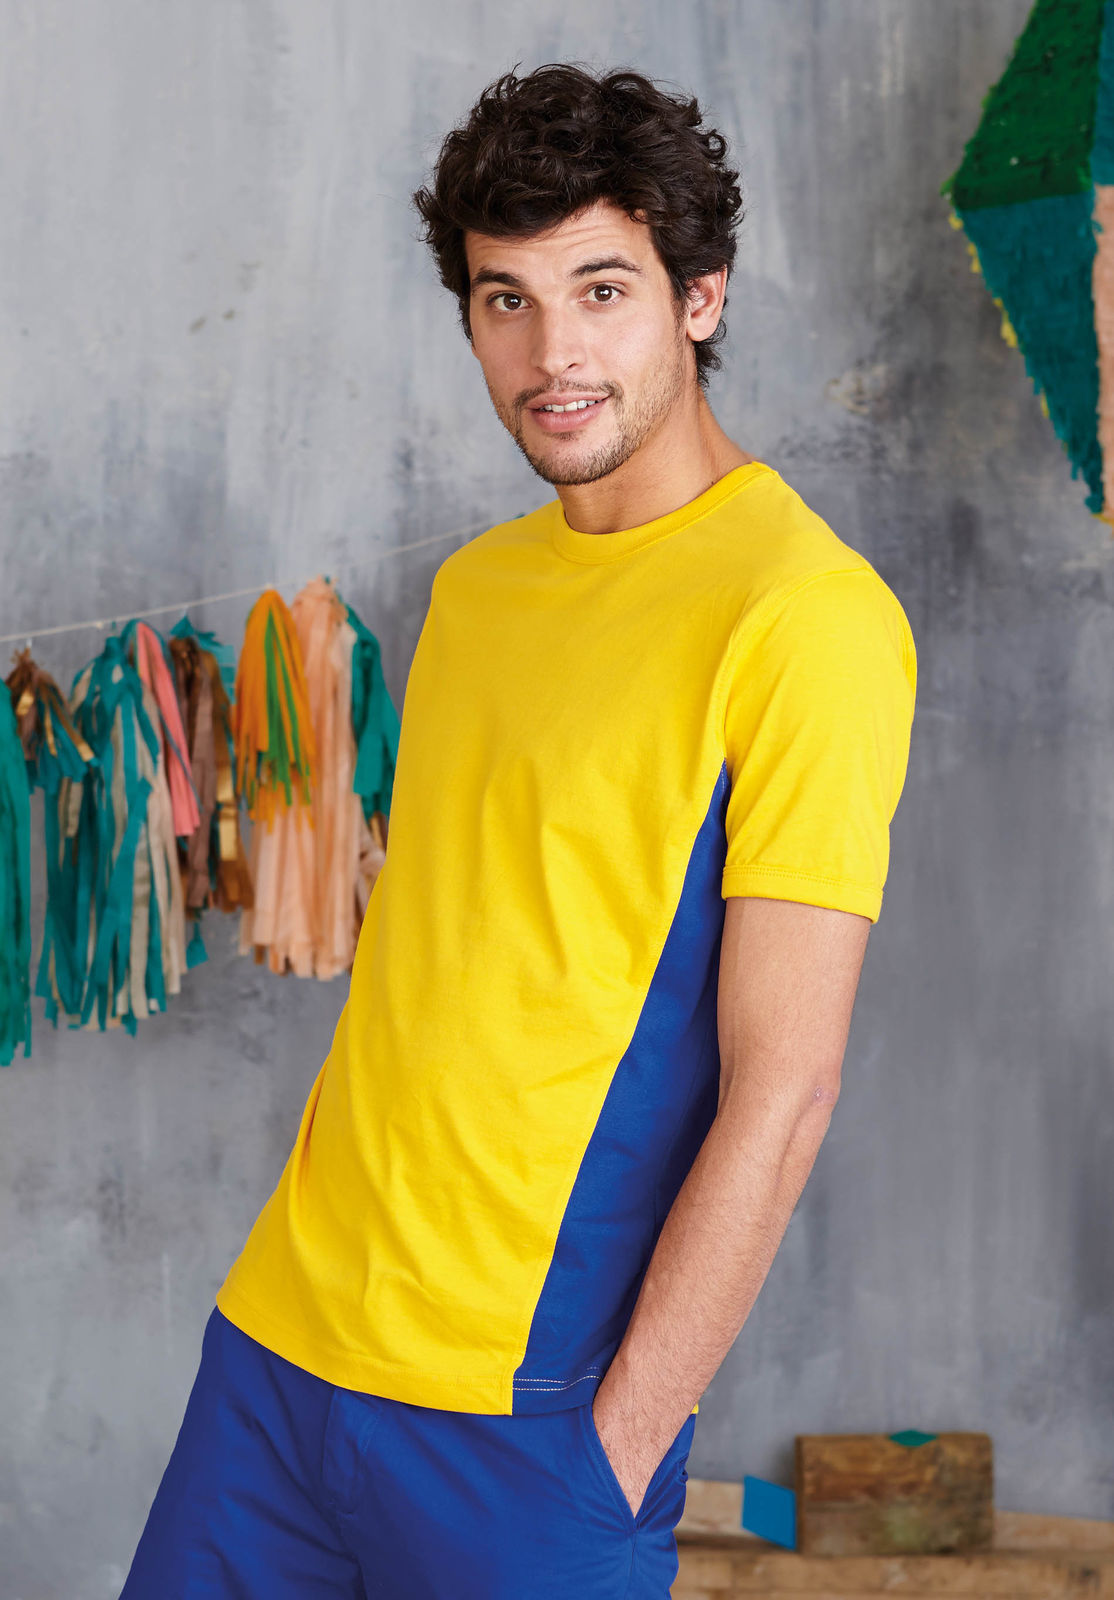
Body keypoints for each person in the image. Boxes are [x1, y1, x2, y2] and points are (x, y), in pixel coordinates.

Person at [120, 61, 917, 1600]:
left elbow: (786, 1087)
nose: (552, 354)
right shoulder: (477, 590)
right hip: (280, 1351)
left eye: (601, 290)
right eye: (506, 300)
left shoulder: (803, 618)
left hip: (526, 1423)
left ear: (697, 298)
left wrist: (623, 1437)